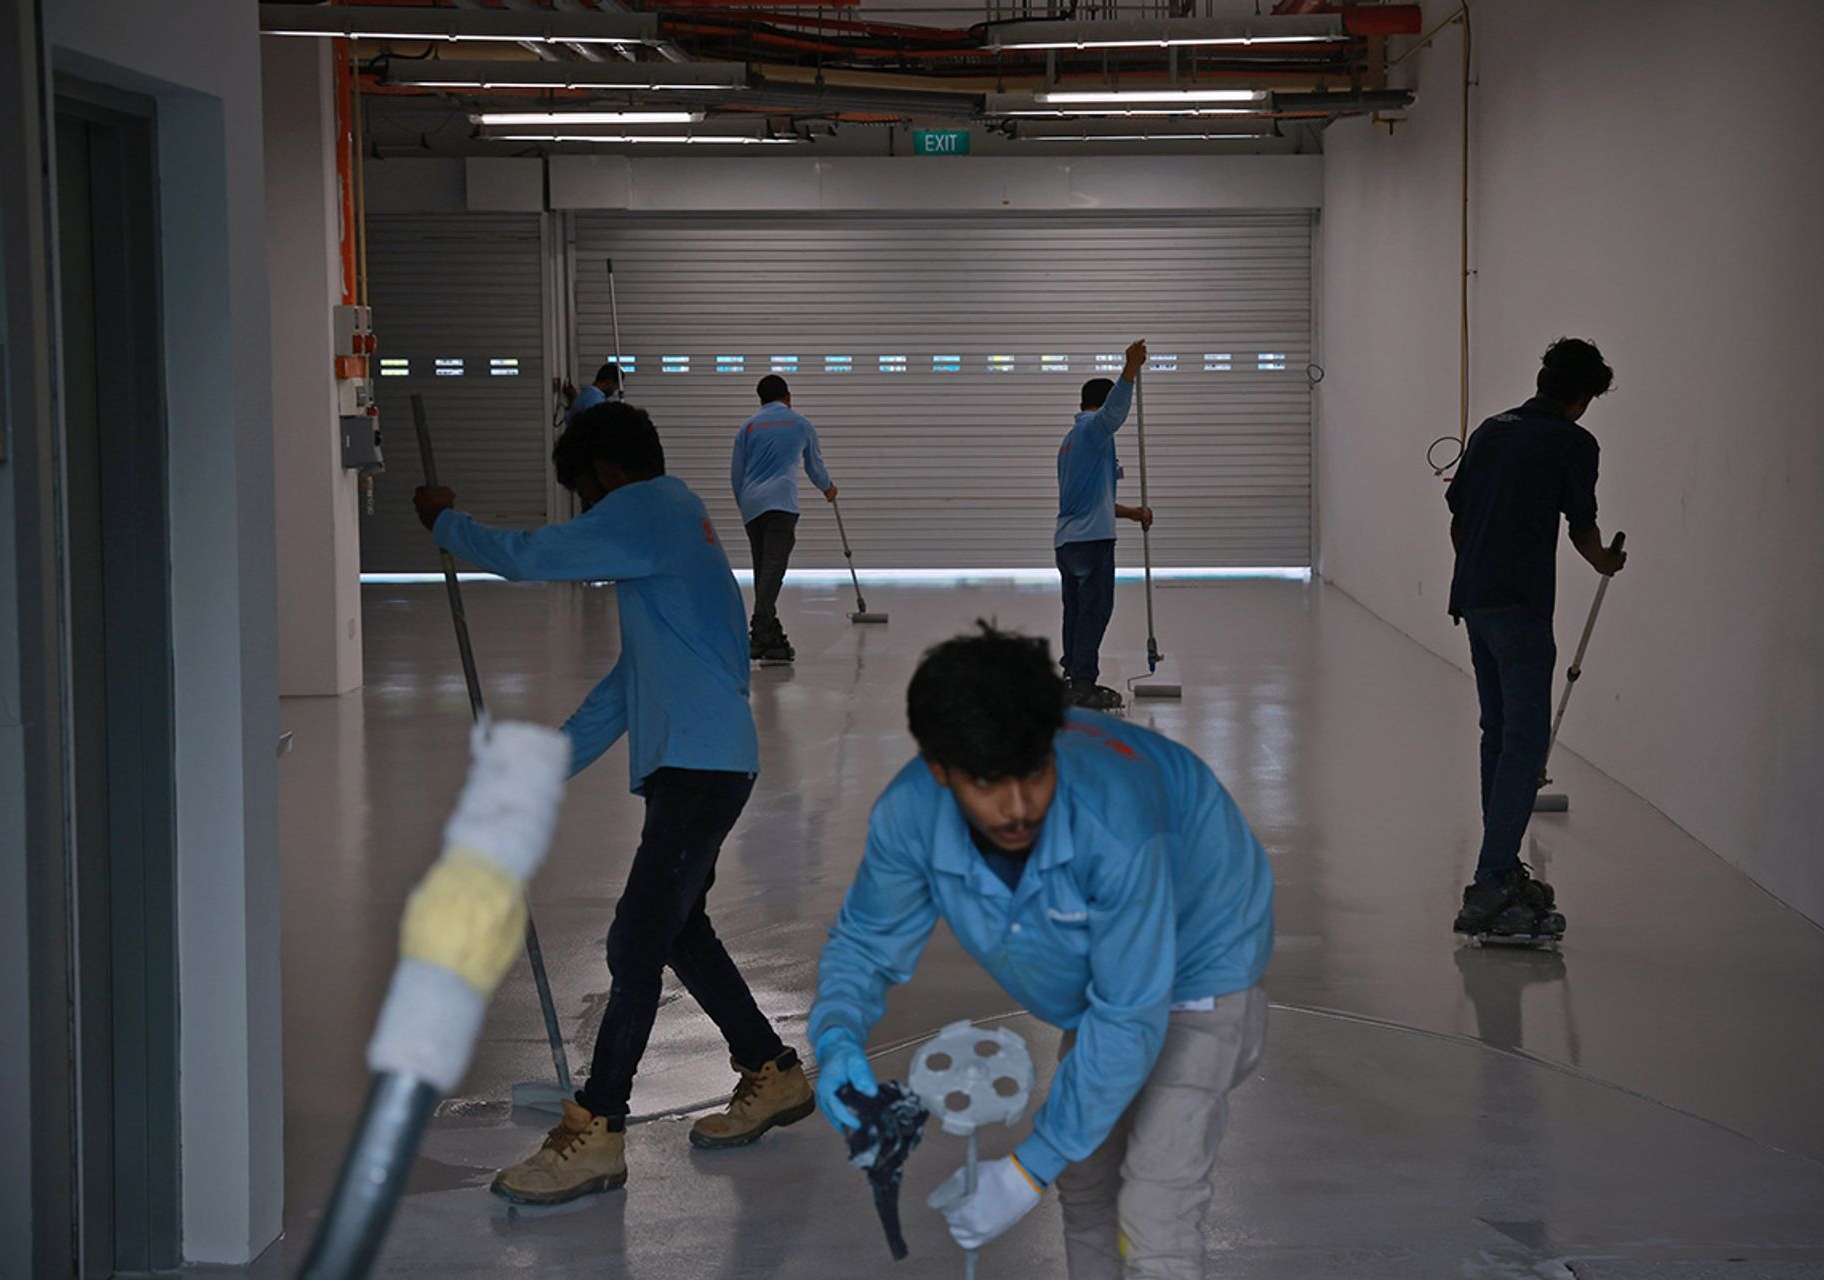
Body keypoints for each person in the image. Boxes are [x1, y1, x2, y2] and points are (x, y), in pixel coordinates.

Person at [412, 403, 814, 1207]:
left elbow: (531, 558)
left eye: (587, 499)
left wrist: (447, 523)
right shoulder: (677, 526)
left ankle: (598, 1129)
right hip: (702, 763)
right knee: (676, 928)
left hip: (701, 766)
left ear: (603, 475)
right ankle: (769, 1072)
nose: (592, 519)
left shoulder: (650, 507)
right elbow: (629, 686)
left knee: (636, 939)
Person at [808, 624, 1275, 1279]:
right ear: (940, 772)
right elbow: (865, 942)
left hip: (1203, 957)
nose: (1018, 807)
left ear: (1052, 745)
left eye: (1032, 774)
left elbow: (1130, 1010)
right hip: (1108, 981)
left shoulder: (1114, 823)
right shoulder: (909, 815)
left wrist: (1027, 1169)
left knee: (1155, 1199)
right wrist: (836, 1038)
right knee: (1085, 1180)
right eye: (988, 785)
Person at [1446, 337, 1627, 937]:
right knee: (1524, 744)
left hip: (1474, 598)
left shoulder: (1491, 431)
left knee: (1498, 733)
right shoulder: (1574, 443)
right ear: (1581, 395)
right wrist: (1603, 561)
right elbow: (1581, 525)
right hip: (1522, 608)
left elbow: (1459, 513)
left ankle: (1498, 867)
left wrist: (1477, 574)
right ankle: (1492, 879)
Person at [1056, 340, 1155, 711]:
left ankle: (1072, 677)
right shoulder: (1093, 432)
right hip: (1092, 543)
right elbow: (1114, 413)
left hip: (1068, 543)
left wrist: (1133, 514)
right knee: (1094, 611)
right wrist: (1130, 369)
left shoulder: (1070, 443)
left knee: (1077, 612)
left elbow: (1089, 502)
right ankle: (1083, 684)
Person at [730, 374, 836, 662]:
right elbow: (815, 466)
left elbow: (736, 473)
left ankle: (771, 636)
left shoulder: (748, 427)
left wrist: (745, 503)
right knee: (773, 570)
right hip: (781, 503)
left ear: (760, 400)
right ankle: (759, 629)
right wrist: (828, 488)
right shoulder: (800, 424)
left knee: (764, 570)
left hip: (752, 506)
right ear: (788, 397)